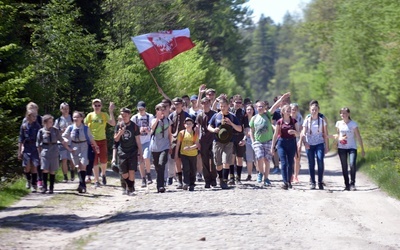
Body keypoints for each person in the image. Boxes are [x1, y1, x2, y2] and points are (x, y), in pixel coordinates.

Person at [249, 93, 291, 187]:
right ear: (256, 107)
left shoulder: (267, 115)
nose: (260, 108)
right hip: (258, 141)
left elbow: (275, 106)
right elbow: (251, 131)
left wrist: (282, 98)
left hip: (268, 141)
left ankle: (266, 178)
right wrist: (253, 141)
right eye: (258, 107)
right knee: (259, 157)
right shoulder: (254, 118)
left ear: (264, 108)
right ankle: (260, 173)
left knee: (267, 160)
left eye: (261, 107)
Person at [208, 97, 242, 189]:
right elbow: (209, 126)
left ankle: (224, 181)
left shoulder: (232, 116)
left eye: (224, 106)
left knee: (226, 161)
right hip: (217, 142)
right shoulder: (216, 116)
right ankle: (220, 177)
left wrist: (231, 124)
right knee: (218, 163)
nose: (222, 108)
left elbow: (239, 129)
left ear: (228, 106)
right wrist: (213, 129)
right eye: (221, 106)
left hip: (229, 142)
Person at [63, 111, 99, 193]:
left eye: (77, 117)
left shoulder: (86, 128)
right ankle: (82, 184)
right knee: (78, 166)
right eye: (74, 117)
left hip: (84, 146)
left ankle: (83, 185)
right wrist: (66, 141)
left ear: (81, 118)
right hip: (74, 147)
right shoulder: (70, 128)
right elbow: (64, 136)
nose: (75, 119)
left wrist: (96, 146)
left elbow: (91, 138)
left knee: (83, 164)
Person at [37, 115, 72, 194]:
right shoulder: (41, 131)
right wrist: (39, 154)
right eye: (49, 122)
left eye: (52, 122)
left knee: (52, 170)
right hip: (45, 151)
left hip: (54, 150)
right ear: (45, 122)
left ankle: (51, 187)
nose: (51, 123)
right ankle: (44, 187)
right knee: (45, 169)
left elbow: (62, 140)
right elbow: (38, 143)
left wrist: (68, 148)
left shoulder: (55, 130)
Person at [84, 98, 116, 187]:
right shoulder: (89, 116)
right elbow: (85, 128)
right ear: (92, 106)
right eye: (95, 105)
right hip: (93, 141)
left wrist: (111, 112)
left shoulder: (104, 115)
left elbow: (113, 123)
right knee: (94, 161)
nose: (97, 107)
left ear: (101, 106)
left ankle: (104, 174)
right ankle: (97, 180)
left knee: (104, 160)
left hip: (102, 140)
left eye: (99, 105)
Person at [114, 108, 142, 195]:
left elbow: (138, 140)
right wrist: (120, 132)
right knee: (124, 173)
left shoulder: (134, 126)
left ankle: (130, 189)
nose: (124, 117)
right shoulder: (118, 126)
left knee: (132, 171)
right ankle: (130, 186)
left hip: (132, 151)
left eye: (125, 115)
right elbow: (116, 139)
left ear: (129, 115)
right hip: (122, 152)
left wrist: (140, 153)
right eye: (122, 115)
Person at [335, 107, 365, 191]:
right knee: (344, 166)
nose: (343, 115)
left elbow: (358, 137)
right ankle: (347, 184)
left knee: (352, 164)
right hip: (341, 148)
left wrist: (362, 149)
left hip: (352, 147)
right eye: (341, 113)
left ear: (348, 114)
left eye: (345, 113)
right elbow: (338, 135)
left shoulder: (353, 124)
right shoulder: (338, 123)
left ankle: (352, 183)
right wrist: (336, 141)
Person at [300, 103, 329, 190]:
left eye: (316, 109)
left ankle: (320, 181)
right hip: (309, 144)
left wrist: (327, 146)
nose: (314, 111)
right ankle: (312, 182)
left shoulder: (322, 121)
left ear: (318, 110)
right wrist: (304, 142)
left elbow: (325, 134)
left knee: (320, 160)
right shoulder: (307, 121)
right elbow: (303, 133)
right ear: (310, 110)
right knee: (311, 163)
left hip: (319, 143)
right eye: (312, 110)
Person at [271, 105, 300, 190]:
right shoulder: (279, 122)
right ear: (283, 112)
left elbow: (299, 133)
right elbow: (275, 134)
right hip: (281, 143)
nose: (289, 111)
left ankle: (289, 181)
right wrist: (272, 146)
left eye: (289, 110)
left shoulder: (294, 121)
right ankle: (285, 182)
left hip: (291, 143)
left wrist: (294, 132)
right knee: (283, 162)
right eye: (287, 110)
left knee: (290, 163)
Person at [169, 97, 191, 189]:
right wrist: (170, 143)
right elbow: (169, 131)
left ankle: (187, 181)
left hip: (185, 141)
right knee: (177, 160)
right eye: (175, 104)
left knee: (185, 161)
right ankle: (180, 181)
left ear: (182, 105)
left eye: (178, 104)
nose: (177, 105)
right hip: (174, 140)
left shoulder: (186, 115)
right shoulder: (171, 116)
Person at [150, 103, 172, 193]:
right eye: (159, 109)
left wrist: (170, 145)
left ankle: (161, 186)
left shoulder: (168, 120)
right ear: (156, 111)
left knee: (161, 164)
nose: (162, 111)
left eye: (163, 109)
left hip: (165, 146)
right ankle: (160, 181)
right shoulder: (153, 120)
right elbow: (152, 128)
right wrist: (158, 119)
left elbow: (170, 134)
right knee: (157, 166)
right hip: (155, 147)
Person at [131, 101, 154, 188]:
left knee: (146, 157)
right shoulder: (134, 118)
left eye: (142, 109)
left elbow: (153, 127)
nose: (141, 110)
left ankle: (148, 174)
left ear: (145, 109)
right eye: (139, 109)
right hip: (138, 142)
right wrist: (138, 131)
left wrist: (147, 130)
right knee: (140, 160)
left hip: (147, 140)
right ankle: (143, 178)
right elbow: (132, 130)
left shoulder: (150, 116)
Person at [196, 97, 217, 188]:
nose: (205, 104)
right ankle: (207, 180)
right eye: (203, 103)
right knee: (204, 160)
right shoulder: (200, 115)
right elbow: (197, 128)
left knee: (214, 159)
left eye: (207, 102)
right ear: (201, 104)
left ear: (210, 103)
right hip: (203, 140)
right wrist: (197, 141)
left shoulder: (215, 114)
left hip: (213, 139)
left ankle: (214, 178)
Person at [18, 109, 41, 192]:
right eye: (33, 116)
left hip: (35, 147)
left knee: (34, 166)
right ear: (28, 116)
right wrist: (19, 151)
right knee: (27, 166)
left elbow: (40, 138)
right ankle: (28, 180)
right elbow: (20, 139)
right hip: (27, 146)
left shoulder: (37, 126)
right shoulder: (24, 126)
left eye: (35, 116)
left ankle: (34, 185)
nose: (35, 117)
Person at [175, 117, 200, 191]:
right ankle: (186, 182)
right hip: (184, 154)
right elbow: (178, 144)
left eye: (190, 123)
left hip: (193, 154)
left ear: (193, 125)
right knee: (186, 168)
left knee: (193, 169)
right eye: (187, 123)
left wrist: (189, 147)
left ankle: (192, 183)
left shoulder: (195, 133)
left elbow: (197, 145)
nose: (188, 125)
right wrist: (176, 154)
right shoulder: (182, 133)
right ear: (184, 125)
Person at [228, 94, 248, 185]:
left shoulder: (243, 113)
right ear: (233, 102)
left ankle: (238, 177)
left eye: (240, 102)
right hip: (231, 136)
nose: (238, 104)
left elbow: (246, 127)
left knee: (239, 158)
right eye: (237, 102)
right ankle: (231, 176)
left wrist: (245, 139)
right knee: (231, 157)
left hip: (240, 136)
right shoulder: (229, 112)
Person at [54, 102, 74, 182]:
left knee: (72, 159)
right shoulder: (58, 120)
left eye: (67, 109)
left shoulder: (72, 119)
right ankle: (65, 176)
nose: (66, 110)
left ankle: (72, 172)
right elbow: (54, 131)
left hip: (72, 142)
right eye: (64, 109)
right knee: (64, 159)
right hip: (62, 142)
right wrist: (61, 131)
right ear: (61, 110)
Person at [290, 103, 303, 183]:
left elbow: (302, 130)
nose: (293, 111)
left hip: (297, 139)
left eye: (295, 109)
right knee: (289, 159)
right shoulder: (287, 117)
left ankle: (296, 176)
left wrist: (300, 141)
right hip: (288, 139)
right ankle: (290, 175)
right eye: (292, 109)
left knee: (297, 158)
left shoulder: (300, 118)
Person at [244, 104, 256, 181]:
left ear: (253, 110)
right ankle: (249, 175)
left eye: (250, 109)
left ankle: (260, 173)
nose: (249, 111)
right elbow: (243, 129)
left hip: (257, 140)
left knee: (258, 158)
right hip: (248, 140)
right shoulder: (244, 119)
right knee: (249, 159)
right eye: (248, 109)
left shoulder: (256, 118)